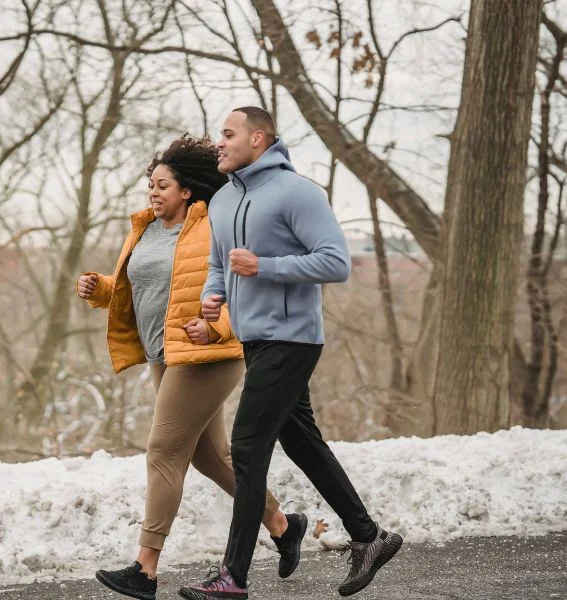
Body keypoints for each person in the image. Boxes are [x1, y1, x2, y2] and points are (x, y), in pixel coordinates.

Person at [178, 108, 403, 600]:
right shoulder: (222, 202)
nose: (220, 142)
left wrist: (265, 266)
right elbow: (220, 266)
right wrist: (213, 299)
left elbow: (336, 261)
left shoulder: (297, 192)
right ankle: (369, 536)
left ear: (258, 139)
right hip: (253, 338)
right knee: (301, 443)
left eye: (229, 134)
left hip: (293, 336)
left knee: (248, 445)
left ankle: (233, 576)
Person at [77, 134, 309, 600]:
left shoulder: (211, 227)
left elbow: (237, 288)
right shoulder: (144, 228)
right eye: (151, 185)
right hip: (167, 355)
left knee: (163, 451)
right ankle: (283, 524)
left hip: (208, 354)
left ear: (186, 191)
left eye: (163, 185)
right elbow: (138, 285)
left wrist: (218, 329)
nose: (153, 193)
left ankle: (144, 569)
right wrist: (100, 288)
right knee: (208, 456)